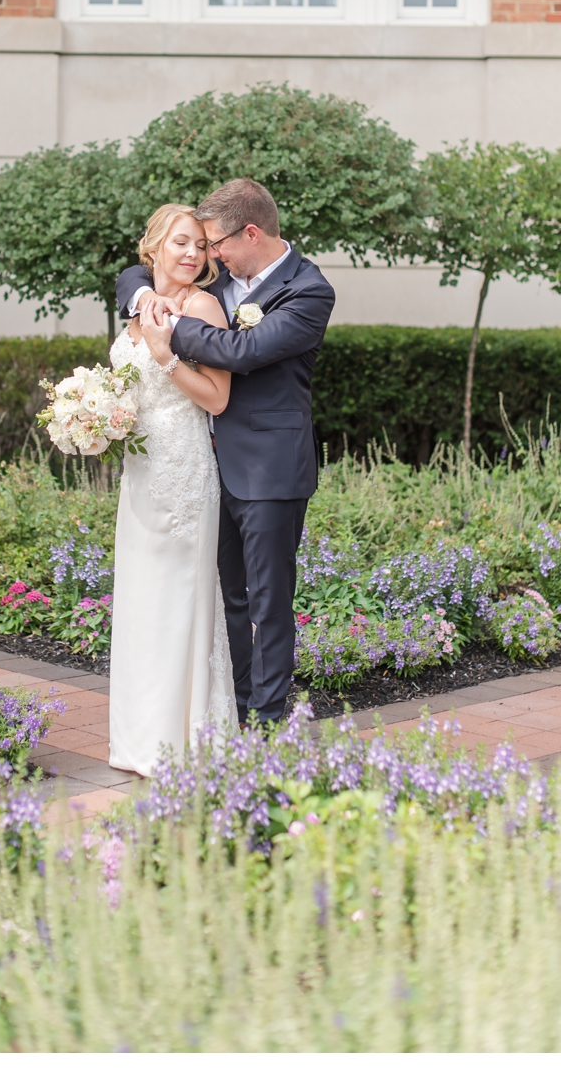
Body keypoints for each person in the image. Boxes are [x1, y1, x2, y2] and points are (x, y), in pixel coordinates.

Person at [117, 178, 336, 727]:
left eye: (216, 244)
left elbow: (246, 349)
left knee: (268, 603)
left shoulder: (308, 290)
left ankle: (266, 719)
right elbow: (138, 274)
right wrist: (144, 296)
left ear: (252, 233)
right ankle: (234, 707)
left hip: (269, 469)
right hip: (205, 468)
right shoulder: (223, 281)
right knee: (227, 601)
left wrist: (166, 333)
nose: (209, 255)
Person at [108, 203, 238, 777]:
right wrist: (96, 418)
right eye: (181, 243)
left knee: (180, 600)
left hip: (184, 471)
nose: (193, 254)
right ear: (153, 248)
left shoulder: (203, 305)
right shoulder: (136, 303)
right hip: (139, 475)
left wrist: (165, 358)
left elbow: (217, 397)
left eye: (201, 247)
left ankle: (181, 740)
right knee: (141, 603)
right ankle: (139, 741)